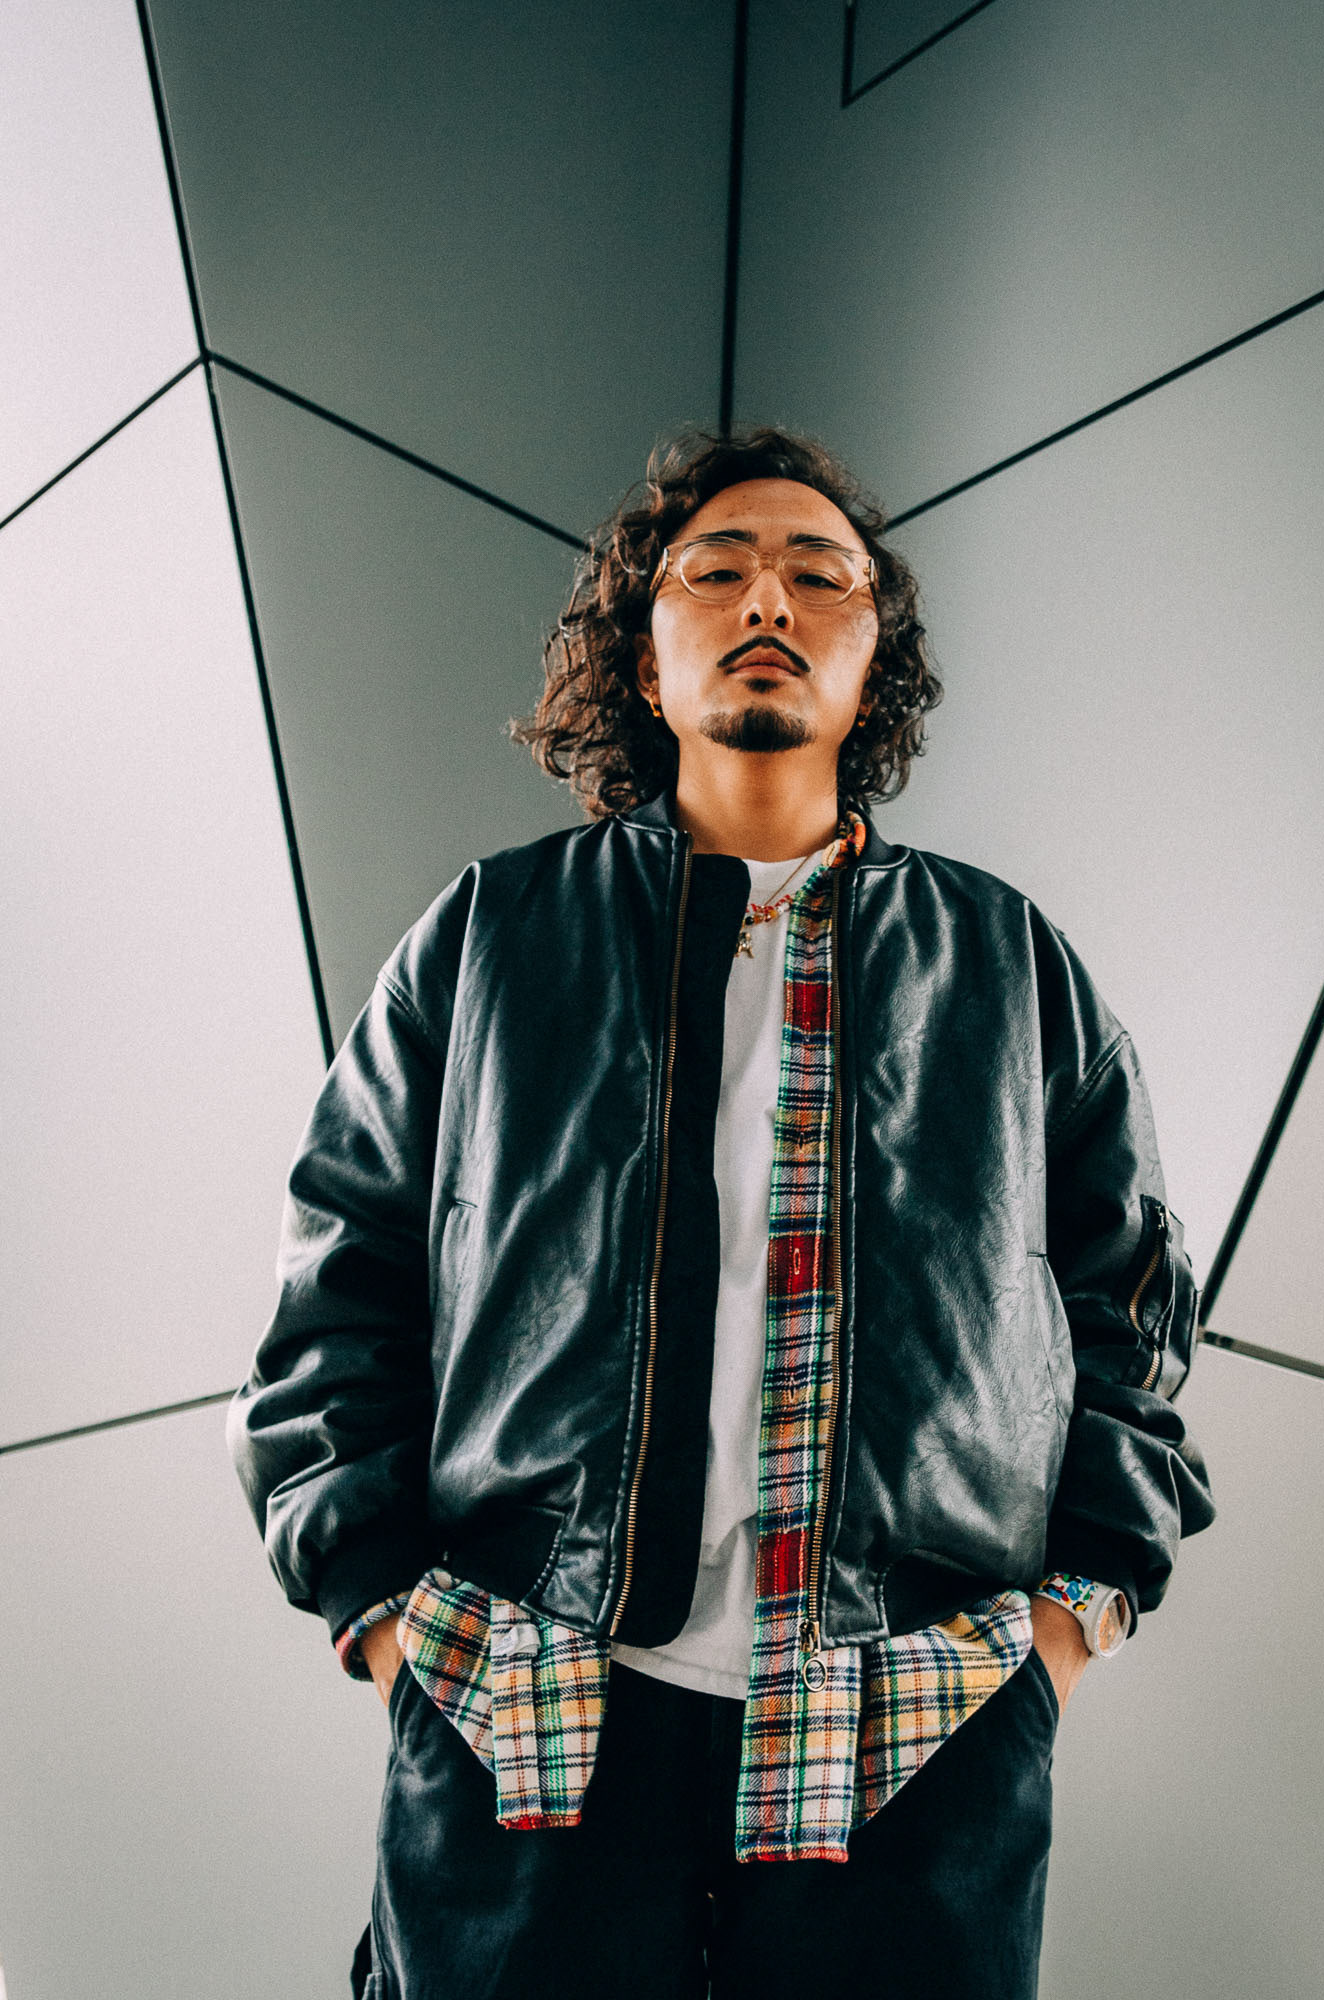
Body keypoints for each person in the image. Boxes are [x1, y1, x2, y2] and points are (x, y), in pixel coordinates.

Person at [229, 426, 1214, 2000]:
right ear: (643, 646)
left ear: (870, 652)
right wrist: (398, 1633)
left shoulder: (1012, 966)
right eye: (718, 568)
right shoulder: (486, 941)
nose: (770, 592)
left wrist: (1057, 1639)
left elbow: (1131, 1322)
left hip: (913, 1712)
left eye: (819, 572)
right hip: (526, 1698)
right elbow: (332, 1307)